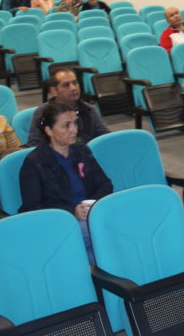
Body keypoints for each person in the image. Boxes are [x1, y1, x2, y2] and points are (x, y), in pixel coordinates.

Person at [19, 100, 112, 261]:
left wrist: (92, 204)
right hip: (59, 222)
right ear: (49, 130)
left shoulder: (82, 151)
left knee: (106, 236)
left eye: (75, 123)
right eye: (66, 125)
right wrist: (72, 211)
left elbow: (105, 184)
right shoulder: (35, 162)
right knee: (102, 234)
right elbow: (33, 207)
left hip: (89, 215)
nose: (74, 130)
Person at [25, 67, 110, 146]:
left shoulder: (89, 109)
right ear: (53, 91)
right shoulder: (42, 112)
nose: (73, 88)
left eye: (75, 83)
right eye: (66, 85)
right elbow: (34, 144)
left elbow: (105, 138)